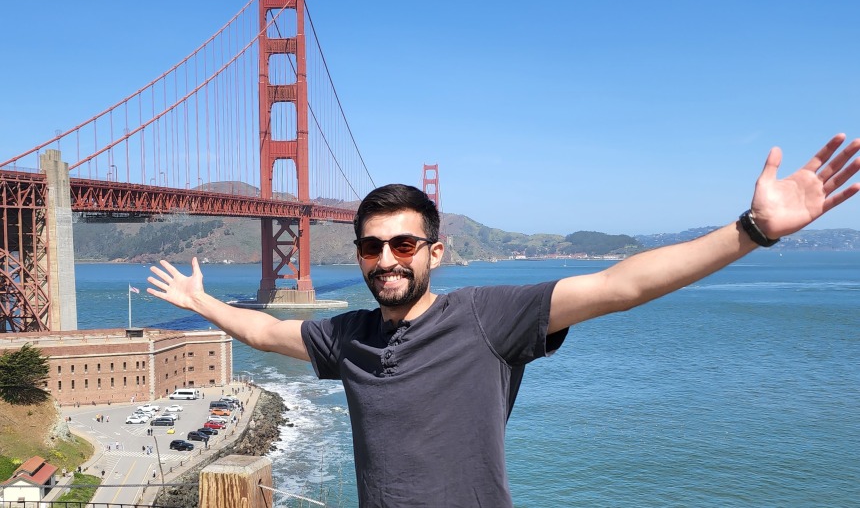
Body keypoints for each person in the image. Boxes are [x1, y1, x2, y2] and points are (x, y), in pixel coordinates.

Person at [147, 134, 860, 507]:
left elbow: (620, 284)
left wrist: (751, 232)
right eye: (371, 245)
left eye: (403, 243)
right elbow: (271, 333)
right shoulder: (350, 337)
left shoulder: (488, 318)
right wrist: (207, 303)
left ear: (434, 250)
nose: (387, 258)